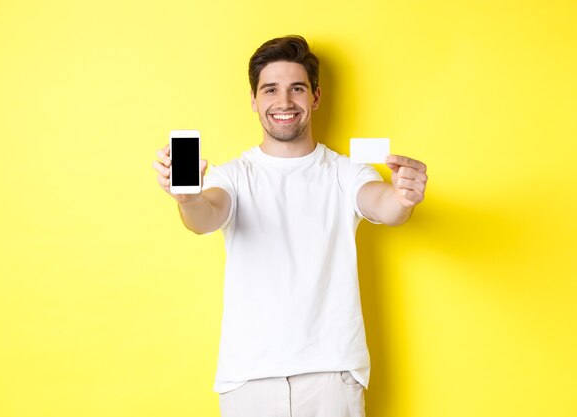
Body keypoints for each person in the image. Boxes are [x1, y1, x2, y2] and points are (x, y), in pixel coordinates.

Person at [152, 35, 428, 417]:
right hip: (249, 379)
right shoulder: (232, 176)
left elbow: (383, 205)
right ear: (253, 100)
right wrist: (188, 198)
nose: (284, 103)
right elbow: (206, 216)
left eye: (296, 89)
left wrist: (402, 198)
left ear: (315, 96)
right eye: (270, 90)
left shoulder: (347, 173)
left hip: (331, 376)